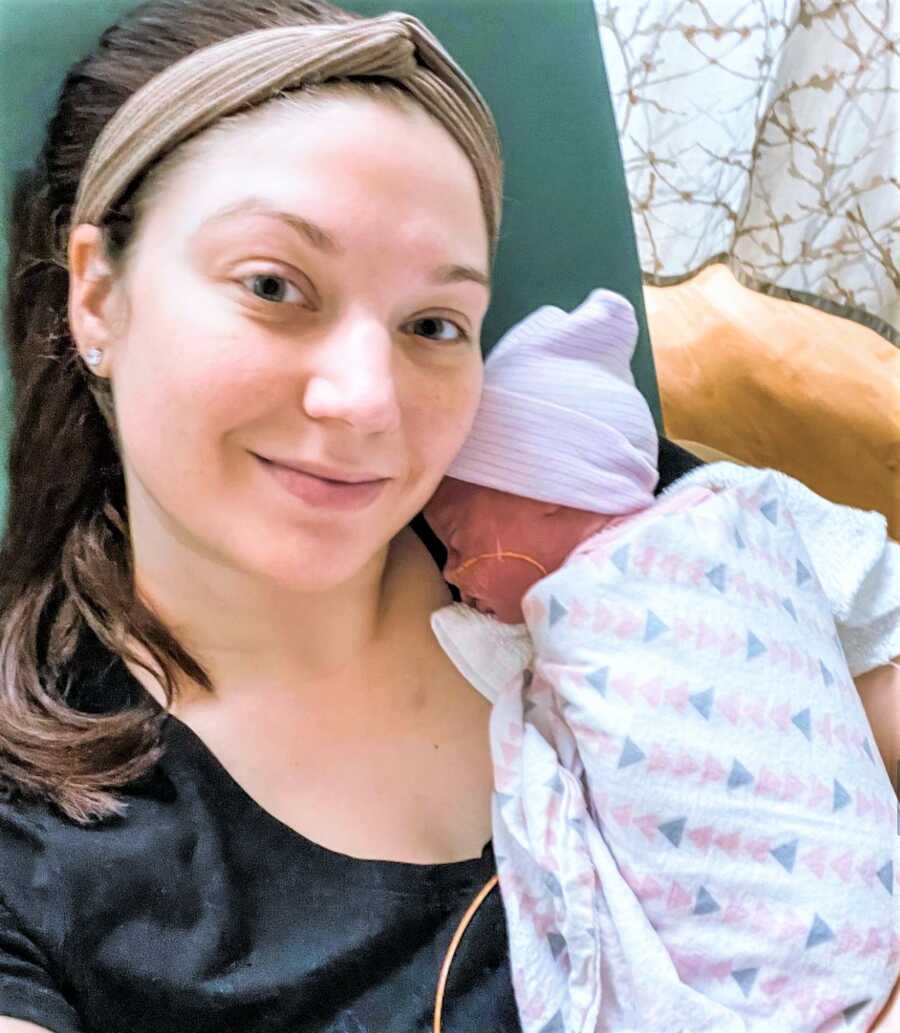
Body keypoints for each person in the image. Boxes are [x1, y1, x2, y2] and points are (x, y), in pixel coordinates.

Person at [0, 1, 896, 1031]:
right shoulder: (34, 843)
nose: (369, 400)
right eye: (275, 285)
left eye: (434, 323)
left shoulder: (580, 517)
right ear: (96, 295)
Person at [423, 288, 900, 1032]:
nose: (453, 572)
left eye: (456, 535)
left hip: (841, 901)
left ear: (550, 493)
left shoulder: (717, 530)